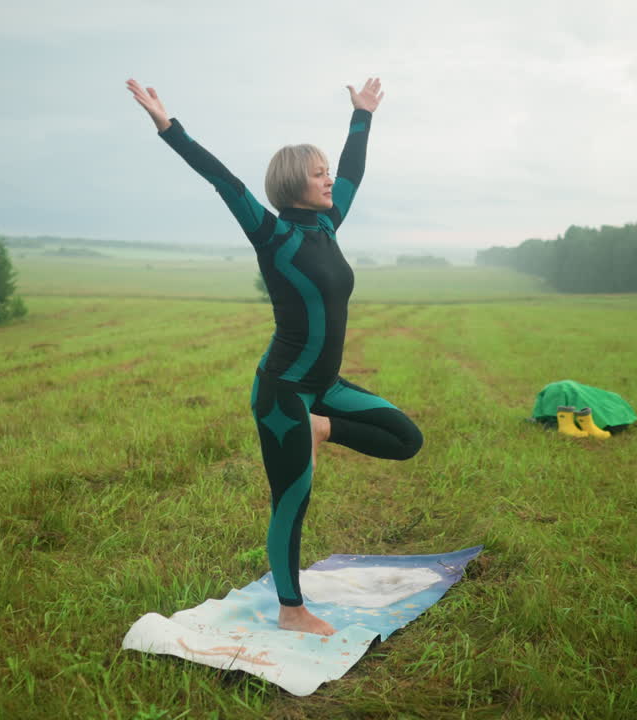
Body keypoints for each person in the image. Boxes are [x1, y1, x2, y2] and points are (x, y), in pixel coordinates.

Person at [126, 77, 423, 636]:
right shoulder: (272, 234)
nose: (329, 178)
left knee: (407, 439)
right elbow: (222, 179)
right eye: (318, 173)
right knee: (292, 501)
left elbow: (354, 172)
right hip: (283, 391)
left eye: (325, 171)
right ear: (294, 184)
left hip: (326, 387)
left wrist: (362, 116)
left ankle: (323, 428)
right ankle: (291, 611)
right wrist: (169, 126)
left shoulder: (329, 226)